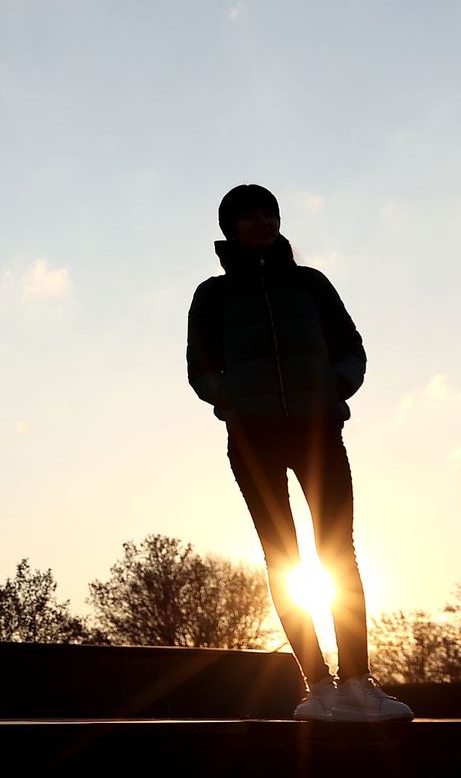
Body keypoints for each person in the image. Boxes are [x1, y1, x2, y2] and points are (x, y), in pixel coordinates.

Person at [186, 184, 413, 722]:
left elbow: (352, 348)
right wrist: (233, 401)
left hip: (318, 435)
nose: (262, 222)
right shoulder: (212, 296)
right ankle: (319, 688)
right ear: (230, 228)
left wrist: (335, 388)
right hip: (253, 439)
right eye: (249, 216)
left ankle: (358, 682)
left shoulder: (311, 285)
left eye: (269, 213)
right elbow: (199, 369)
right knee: (282, 558)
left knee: (339, 553)